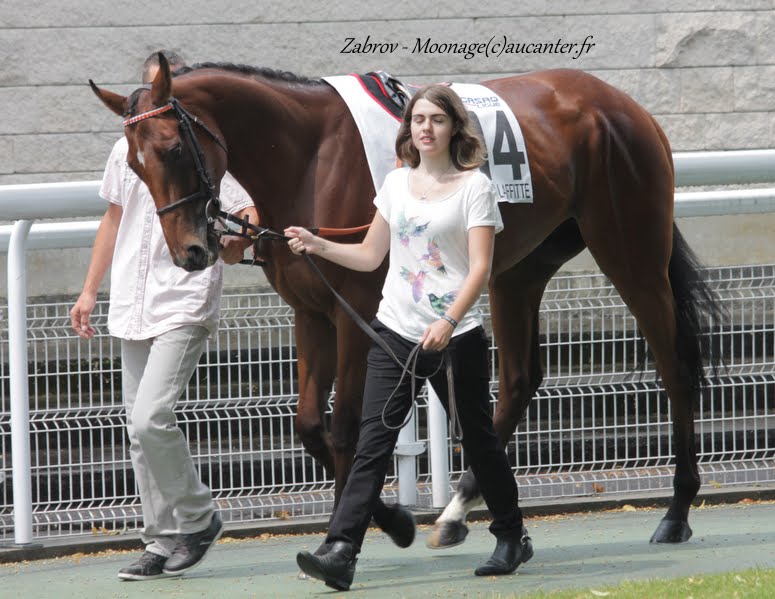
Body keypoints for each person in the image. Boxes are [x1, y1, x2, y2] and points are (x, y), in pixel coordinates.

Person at [285, 84, 532, 591]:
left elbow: (481, 267)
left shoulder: (474, 189)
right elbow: (370, 256)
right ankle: (341, 549)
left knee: (479, 443)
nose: (425, 128)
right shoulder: (395, 185)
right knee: (372, 442)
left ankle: (512, 536)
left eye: (436, 120)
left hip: (454, 337)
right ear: (408, 129)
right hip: (395, 330)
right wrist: (317, 245)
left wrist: (448, 320)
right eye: (418, 119)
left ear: (453, 129)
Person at [70, 50, 258, 581]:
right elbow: (113, 220)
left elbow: (247, 211)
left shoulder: (206, 145)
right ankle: (159, 539)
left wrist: (238, 237)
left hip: (184, 294)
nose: (152, 95)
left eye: (162, 87)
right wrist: (89, 291)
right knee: (138, 429)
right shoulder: (126, 144)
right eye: (147, 86)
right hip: (131, 298)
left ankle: (198, 519)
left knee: (150, 415)